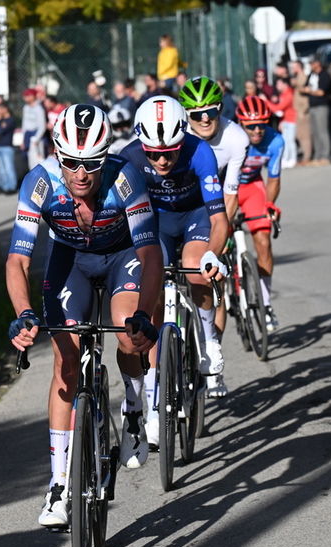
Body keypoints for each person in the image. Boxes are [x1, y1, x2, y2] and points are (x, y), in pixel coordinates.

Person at [6, 104, 163, 527]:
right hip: (70, 260)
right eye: (72, 162)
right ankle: (59, 484)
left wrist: (144, 315)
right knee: (66, 363)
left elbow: (150, 255)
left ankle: (135, 409)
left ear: (105, 156)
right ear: (57, 154)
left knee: (128, 334)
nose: (81, 173)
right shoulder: (40, 182)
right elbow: (18, 260)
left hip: (122, 255)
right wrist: (23, 314)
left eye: (92, 163)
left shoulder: (125, 178)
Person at [120, 95, 229, 443]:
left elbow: (220, 220)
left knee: (195, 267)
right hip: (156, 222)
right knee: (151, 296)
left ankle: (209, 341)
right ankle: (154, 396)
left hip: (195, 216)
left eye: (170, 152)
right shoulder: (129, 157)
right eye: (154, 154)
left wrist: (213, 255)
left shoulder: (200, 151)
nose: (163, 160)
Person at [178, 75, 251, 398]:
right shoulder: (178, 134)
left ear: (221, 109)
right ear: (187, 116)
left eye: (212, 111)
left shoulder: (236, 139)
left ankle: (212, 355)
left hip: (216, 208)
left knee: (212, 280)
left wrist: (221, 236)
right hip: (183, 207)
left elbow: (230, 194)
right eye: (197, 114)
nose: (205, 119)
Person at [233, 96, 283, 332]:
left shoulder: (275, 140)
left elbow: (273, 178)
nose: (257, 130)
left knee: (263, 241)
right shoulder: (231, 137)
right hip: (226, 189)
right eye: (251, 126)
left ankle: (265, 302)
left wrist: (270, 204)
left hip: (252, 187)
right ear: (241, 123)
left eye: (262, 124)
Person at [301, 57, 331, 164]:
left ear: (318, 63)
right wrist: (308, 90)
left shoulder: (325, 75)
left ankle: (326, 155)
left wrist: (310, 91)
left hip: (321, 106)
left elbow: (321, 92)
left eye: (313, 63)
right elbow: (304, 88)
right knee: (315, 132)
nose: (311, 65)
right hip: (312, 106)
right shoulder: (311, 75)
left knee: (322, 131)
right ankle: (317, 155)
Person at [0, 102, 18, 193]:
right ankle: (6, 187)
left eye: (0, 109)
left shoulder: (10, 120)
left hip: (7, 147)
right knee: (2, 169)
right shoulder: (1, 121)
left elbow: (0, 131)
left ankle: (12, 187)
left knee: (9, 168)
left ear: (5, 109)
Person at [290, 60, 313, 165]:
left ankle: (307, 156)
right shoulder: (297, 77)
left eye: (294, 67)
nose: (292, 69)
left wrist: (303, 110)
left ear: (299, 67)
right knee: (299, 135)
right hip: (298, 110)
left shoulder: (303, 77)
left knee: (305, 135)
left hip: (302, 110)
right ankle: (305, 155)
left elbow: (306, 93)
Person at [274, 76, 297, 169]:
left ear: (285, 84)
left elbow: (278, 108)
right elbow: (282, 111)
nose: (277, 86)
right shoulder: (282, 94)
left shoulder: (289, 94)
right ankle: (286, 158)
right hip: (285, 121)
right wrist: (281, 121)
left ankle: (293, 158)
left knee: (290, 141)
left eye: (279, 83)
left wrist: (266, 101)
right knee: (285, 141)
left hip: (292, 121)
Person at [21, 88, 47, 170]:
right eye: (25, 96)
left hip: (36, 135)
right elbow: (24, 123)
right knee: (30, 161)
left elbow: (42, 126)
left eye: (28, 96)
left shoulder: (39, 108)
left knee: (38, 160)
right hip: (27, 135)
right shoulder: (26, 107)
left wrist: (36, 139)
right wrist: (23, 139)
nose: (26, 98)